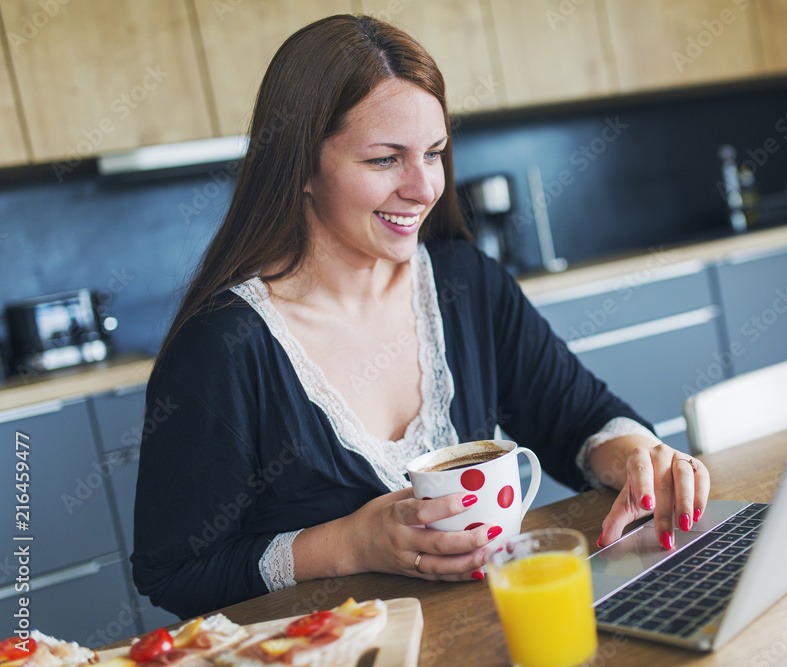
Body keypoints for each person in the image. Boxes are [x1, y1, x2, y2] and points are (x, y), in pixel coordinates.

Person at [131, 14, 710, 619]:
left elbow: (578, 419)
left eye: (433, 153)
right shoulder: (222, 347)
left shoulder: (464, 281)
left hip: (488, 633)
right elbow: (174, 572)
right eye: (385, 160)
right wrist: (348, 544)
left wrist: (642, 459)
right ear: (301, 167)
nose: (423, 187)